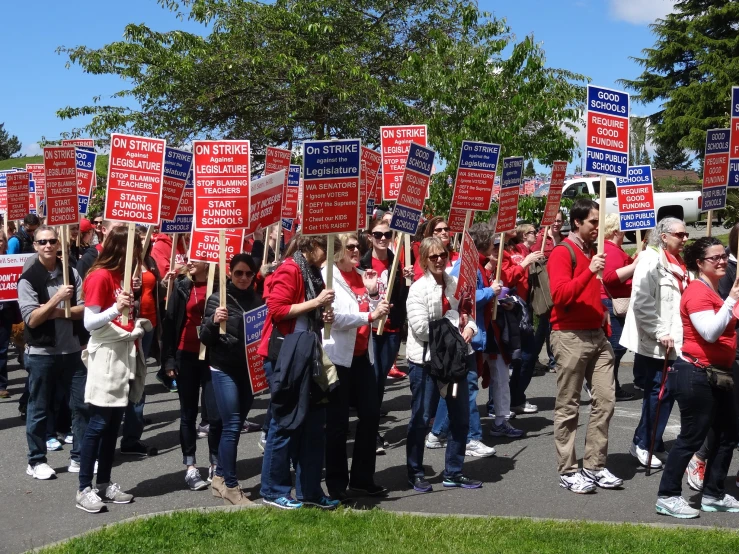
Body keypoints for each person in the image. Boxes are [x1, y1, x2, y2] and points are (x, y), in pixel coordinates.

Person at [656, 237, 739, 519]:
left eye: (723, 255)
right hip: (695, 374)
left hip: (718, 375)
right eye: (714, 257)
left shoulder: (714, 291)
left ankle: (713, 494)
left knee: (728, 434)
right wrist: (731, 301)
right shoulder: (697, 292)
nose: (721, 260)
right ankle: (667, 495)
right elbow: (709, 333)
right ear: (699, 264)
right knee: (691, 437)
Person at [258, 234, 338, 510]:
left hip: (308, 353)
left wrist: (323, 314)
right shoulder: (291, 269)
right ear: (311, 246)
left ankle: (310, 491)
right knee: (285, 423)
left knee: (314, 426)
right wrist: (316, 303)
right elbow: (277, 310)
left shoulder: (315, 273)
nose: (328, 257)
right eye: (325, 250)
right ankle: (273, 489)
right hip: (285, 355)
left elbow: (310, 312)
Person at [548, 199, 621, 494]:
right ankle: (568, 469)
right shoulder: (562, 252)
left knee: (606, 401)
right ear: (577, 222)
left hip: (596, 336)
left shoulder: (593, 252)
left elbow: (595, 292)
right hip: (569, 336)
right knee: (569, 406)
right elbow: (561, 295)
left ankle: (595, 465)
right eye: (593, 222)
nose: (597, 227)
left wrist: (602, 318)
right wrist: (589, 270)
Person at [76, 225, 145, 513]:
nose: (142, 251)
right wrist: (117, 308)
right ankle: (83, 488)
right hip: (106, 354)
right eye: (138, 246)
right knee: (99, 423)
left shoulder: (121, 276)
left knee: (113, 424)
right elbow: (89, 322)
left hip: (122, 353)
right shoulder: (100, 275)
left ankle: (104, 483)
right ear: (124, 248)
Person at [405, 236, 481, 493]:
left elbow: (469, 315)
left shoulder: (455, 285)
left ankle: (454, 471)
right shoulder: (417, 289)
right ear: (424, 260)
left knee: (460, 417)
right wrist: (455, 325)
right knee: (421, 418)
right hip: (426, 364)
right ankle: (415, 471)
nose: (439, 260)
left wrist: (470, 326)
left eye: (443, 255)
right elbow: (421, 329)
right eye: (433, 256)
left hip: (454, 365)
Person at [323, 233, 391, 500]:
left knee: (371, 415)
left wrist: (374, 295)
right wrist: (369, 314)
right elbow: (334, 318)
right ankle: (337, 484)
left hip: (363, 355)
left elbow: (375, 315)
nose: (355, 250)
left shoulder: (365, 274)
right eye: (349, 246)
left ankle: (362, 478)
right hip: (339, 358)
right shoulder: (328, 276)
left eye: (357, 246)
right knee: (338, 423)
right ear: (337, 249)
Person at [19, 226, 87, 480]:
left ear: (59, 244)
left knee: (81, 405)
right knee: (39, 407)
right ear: (35, 246)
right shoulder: (28, 279)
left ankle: (79, 457)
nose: (48, 246)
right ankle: (36, 460)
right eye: (42, 242)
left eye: (52, 241)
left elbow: (84, 309)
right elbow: (32, 319)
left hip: (72, 350)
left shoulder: (71, 272)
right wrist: (57, 299)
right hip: (41, 353)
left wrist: (57, 311)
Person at [427, 223, 501, 456]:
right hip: (462, 337)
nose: (495, 245)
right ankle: (471, 438)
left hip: (472, 333)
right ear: (484, 242)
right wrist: (491, 292)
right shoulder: (465, 265)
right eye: (492, 241)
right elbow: (461, 296)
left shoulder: (477, 264)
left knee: (456, 388)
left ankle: (437, 432)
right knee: (467, 386)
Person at [620, 217, 688, 469]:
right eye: (679, 234)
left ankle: (653, 441)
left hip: (677, 340)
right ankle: (642, 442)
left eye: (685, 234)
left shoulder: (679, 261)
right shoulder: (650, 260)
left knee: (666, 393)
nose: (684, 239)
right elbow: (641, 301)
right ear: (664, 236)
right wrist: (659, 332)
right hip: (658, 340)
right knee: (658, 393)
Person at [200, 254, 264, 505]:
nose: (244, 278)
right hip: (223, 369)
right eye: (239, 273)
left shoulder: (257, 300)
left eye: (249, 274)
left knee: (235, 426)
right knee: (233, 425)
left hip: (247, 371)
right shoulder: (218, 299)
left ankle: (219, 478)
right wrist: (215, 322)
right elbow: (205, 338)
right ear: (230, 273)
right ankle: (231, 486)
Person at [162, 259, 223, 491]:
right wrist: (168, 358)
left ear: (208, 261)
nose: (189, 262)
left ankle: (215, 463)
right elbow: (169, 325)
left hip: (212, 357)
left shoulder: (221, 286)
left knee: (215, 416)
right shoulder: (181, 286)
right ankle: (190, 466)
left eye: (195, 258)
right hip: (185, 356)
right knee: (187, 414)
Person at [359, 218, 412, 453]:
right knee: (371, 379)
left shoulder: (397, 262)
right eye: (378, 234)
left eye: (387, 234)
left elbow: (401, 297)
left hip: (390, 330)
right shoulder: (361, 263)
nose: (383, 238)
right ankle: (369, 430)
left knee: (380, 381)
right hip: (369, 330)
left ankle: (372, 428)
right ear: (370, 237)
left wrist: (407, 280)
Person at [118, 226, 164, 457]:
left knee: (139, 381)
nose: (138, 244)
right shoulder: (119, 265)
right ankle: (114, 436)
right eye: (134, 240)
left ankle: (132, 438)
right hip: (129, 328)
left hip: (149, 325)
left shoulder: (148, 259)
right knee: (124, 382)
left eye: (139, 240)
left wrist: (167, 281)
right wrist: (131, 291)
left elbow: (156, 287)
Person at [600, 213, 639, 402]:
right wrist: (635, 265)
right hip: (611, 301)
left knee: (617, 347)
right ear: (616, 230)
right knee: (616, 347)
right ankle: (606, 385)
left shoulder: (613, 249)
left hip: (613, 301)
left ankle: (610, 385)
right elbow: (610, 277)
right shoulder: (612, 250)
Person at [532, 210, 566, 372]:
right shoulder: (540, 240)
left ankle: (548, 359)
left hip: (560, 284)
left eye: (559, 221)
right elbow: (534, 260)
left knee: (551, 323)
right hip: (545, 287)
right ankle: (535, 358)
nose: (556, 223)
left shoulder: (564, 240)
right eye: (554, 220)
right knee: (546, 323)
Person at [0, 229, 18, 399]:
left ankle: (1, 385)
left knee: (2, 349)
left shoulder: (10, 261)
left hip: (5, 310)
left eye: (0, 240)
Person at [412, 216, 459, 280]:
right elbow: (419, 279)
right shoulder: (426, 257)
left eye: (446, 229)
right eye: (439, 230)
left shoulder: (458, 256)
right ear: (431, 234)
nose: (444, 232)